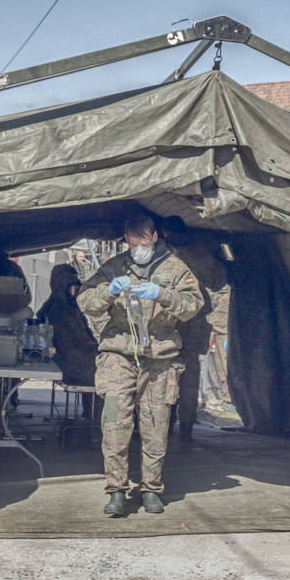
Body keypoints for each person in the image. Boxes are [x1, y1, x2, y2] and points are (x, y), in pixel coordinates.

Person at [78, 213, 202, 517]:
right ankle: (116, 490)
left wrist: (163, 294)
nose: (138, 248)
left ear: (154, 236)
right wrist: (108, 291)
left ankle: (151, 489)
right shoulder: (115, 266)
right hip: (117, 356)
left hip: (159, 359)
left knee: (156, 426)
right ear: (126, 239)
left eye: (143, 241)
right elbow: (86, 302)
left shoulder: (175, 268)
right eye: (132, 243)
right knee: (114, 424)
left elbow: (193, 306)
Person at [159, 216, 233, 444]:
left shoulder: (166, 256)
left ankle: (166, 423)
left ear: (166, 233)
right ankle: (186, 429)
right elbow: (221, 284)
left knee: (163, 373)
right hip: (197, 323)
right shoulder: (203, 253)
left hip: (171, 323)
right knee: (190, 375)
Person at [37, 264, 99, 419]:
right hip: (73, 364)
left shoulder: (63, 305)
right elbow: (74, 346)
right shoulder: (60, 309)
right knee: (112, 378)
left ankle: (93, 416)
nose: (75, 288)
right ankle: (103, 420)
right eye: (70, 284)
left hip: (77, 361)